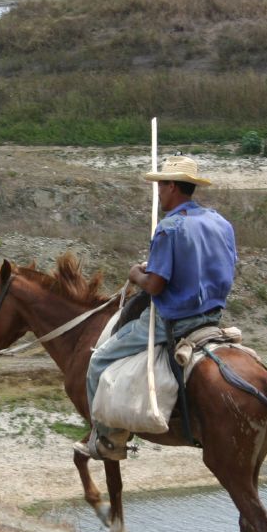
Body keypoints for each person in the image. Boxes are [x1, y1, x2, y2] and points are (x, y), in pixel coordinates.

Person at [74, 155, 238, 460]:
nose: (158, 192)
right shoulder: (220, 222)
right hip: (213, 315)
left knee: (97, 362)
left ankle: (108, 440)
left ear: (173, 186)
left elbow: (154, 287)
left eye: (160, 186)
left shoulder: (169, 228)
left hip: (173, 320)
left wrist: (136, 274)